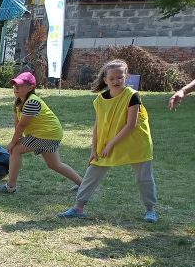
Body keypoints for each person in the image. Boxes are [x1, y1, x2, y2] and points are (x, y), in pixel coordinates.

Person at [58, 59, 158, 222]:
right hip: (108, 142)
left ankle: (150, 210)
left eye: (120, 77)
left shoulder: (133, 96)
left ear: (126, 77)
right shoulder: (100, 100)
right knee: (92, 172)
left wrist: (111, 144)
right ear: (105, 80)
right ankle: (78, 208)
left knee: (144, 177)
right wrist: (94, 149)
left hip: (136, 143)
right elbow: (97, 125)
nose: (116, 81)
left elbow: (131, 125)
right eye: (112, 78)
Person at [0, 71, 83, 194]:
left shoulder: (32, 102)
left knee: (16, 149)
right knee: (54, 164)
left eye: (20, 85)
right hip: (48, 134)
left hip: (47, 134)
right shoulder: (18, 101)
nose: (16, 88)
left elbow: (22, 125)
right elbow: (17, 123)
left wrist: (13, 143)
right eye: (15, 85)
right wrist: (17, 139)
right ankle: (83, 185)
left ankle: (10, 186)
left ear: (31, 87)